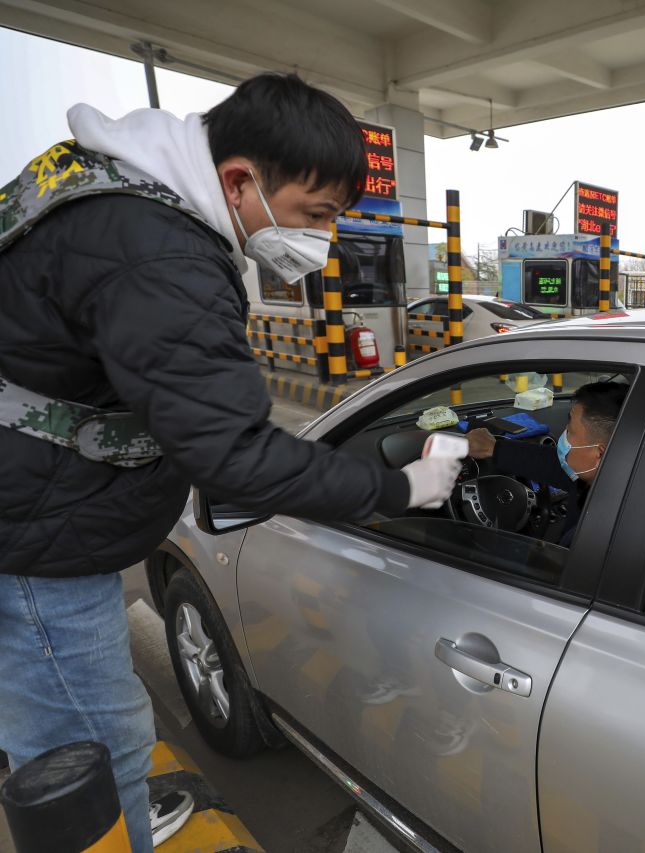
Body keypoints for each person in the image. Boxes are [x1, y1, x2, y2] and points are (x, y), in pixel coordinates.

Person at [0, 74, 460, 852]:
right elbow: (235, 454)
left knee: (82, 732)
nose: (324, 239)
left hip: (41, 508)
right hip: (37, 540)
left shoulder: (116, 197)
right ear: (240, 180)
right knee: (92, 746)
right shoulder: (157, 251)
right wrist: (399, 485)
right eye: (316, 215)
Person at [466, 381, 627, 545]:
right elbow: (552, 464)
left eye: (570, 431)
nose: (563, 437)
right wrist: (494, 448)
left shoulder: (593, 536)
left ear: (599, 453)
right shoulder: (616, 475)